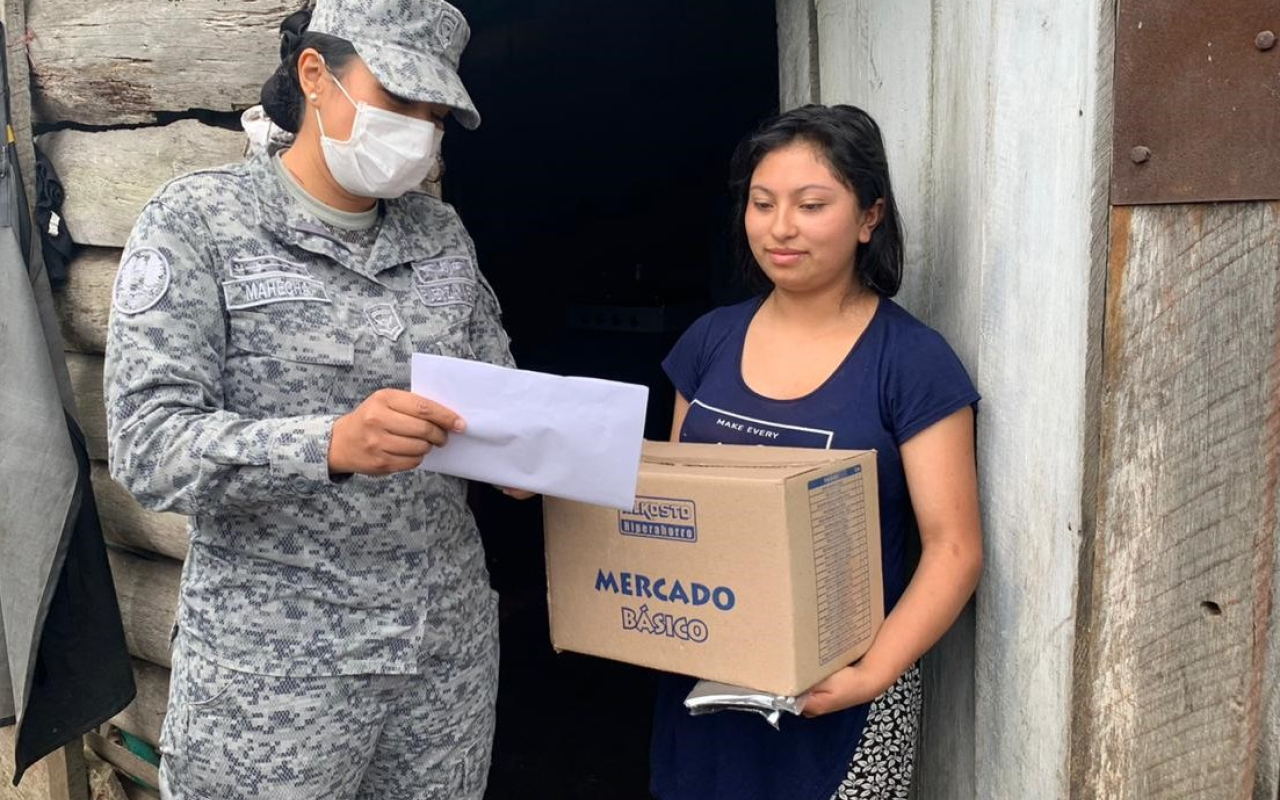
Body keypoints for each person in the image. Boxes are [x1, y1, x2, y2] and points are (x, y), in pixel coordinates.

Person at [103, 1, 525, 797]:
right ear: (315, 76)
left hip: (440, 660)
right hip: (275, 680)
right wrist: (326, 445)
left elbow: (493, 388)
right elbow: (147, 445)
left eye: (434, 113)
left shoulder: (440, 236)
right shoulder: (200, 222)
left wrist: (527, 450)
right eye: (398, 100)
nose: (419, 130)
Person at [651, 104, 984, 800]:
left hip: (845, 694)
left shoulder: (911, 362)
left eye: (811, 205)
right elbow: (681, 504)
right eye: (762, 202)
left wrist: (870, 675)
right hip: (708, 678)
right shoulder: (708, 343)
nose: (780, 227)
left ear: (869, 218)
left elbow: (953, 547)